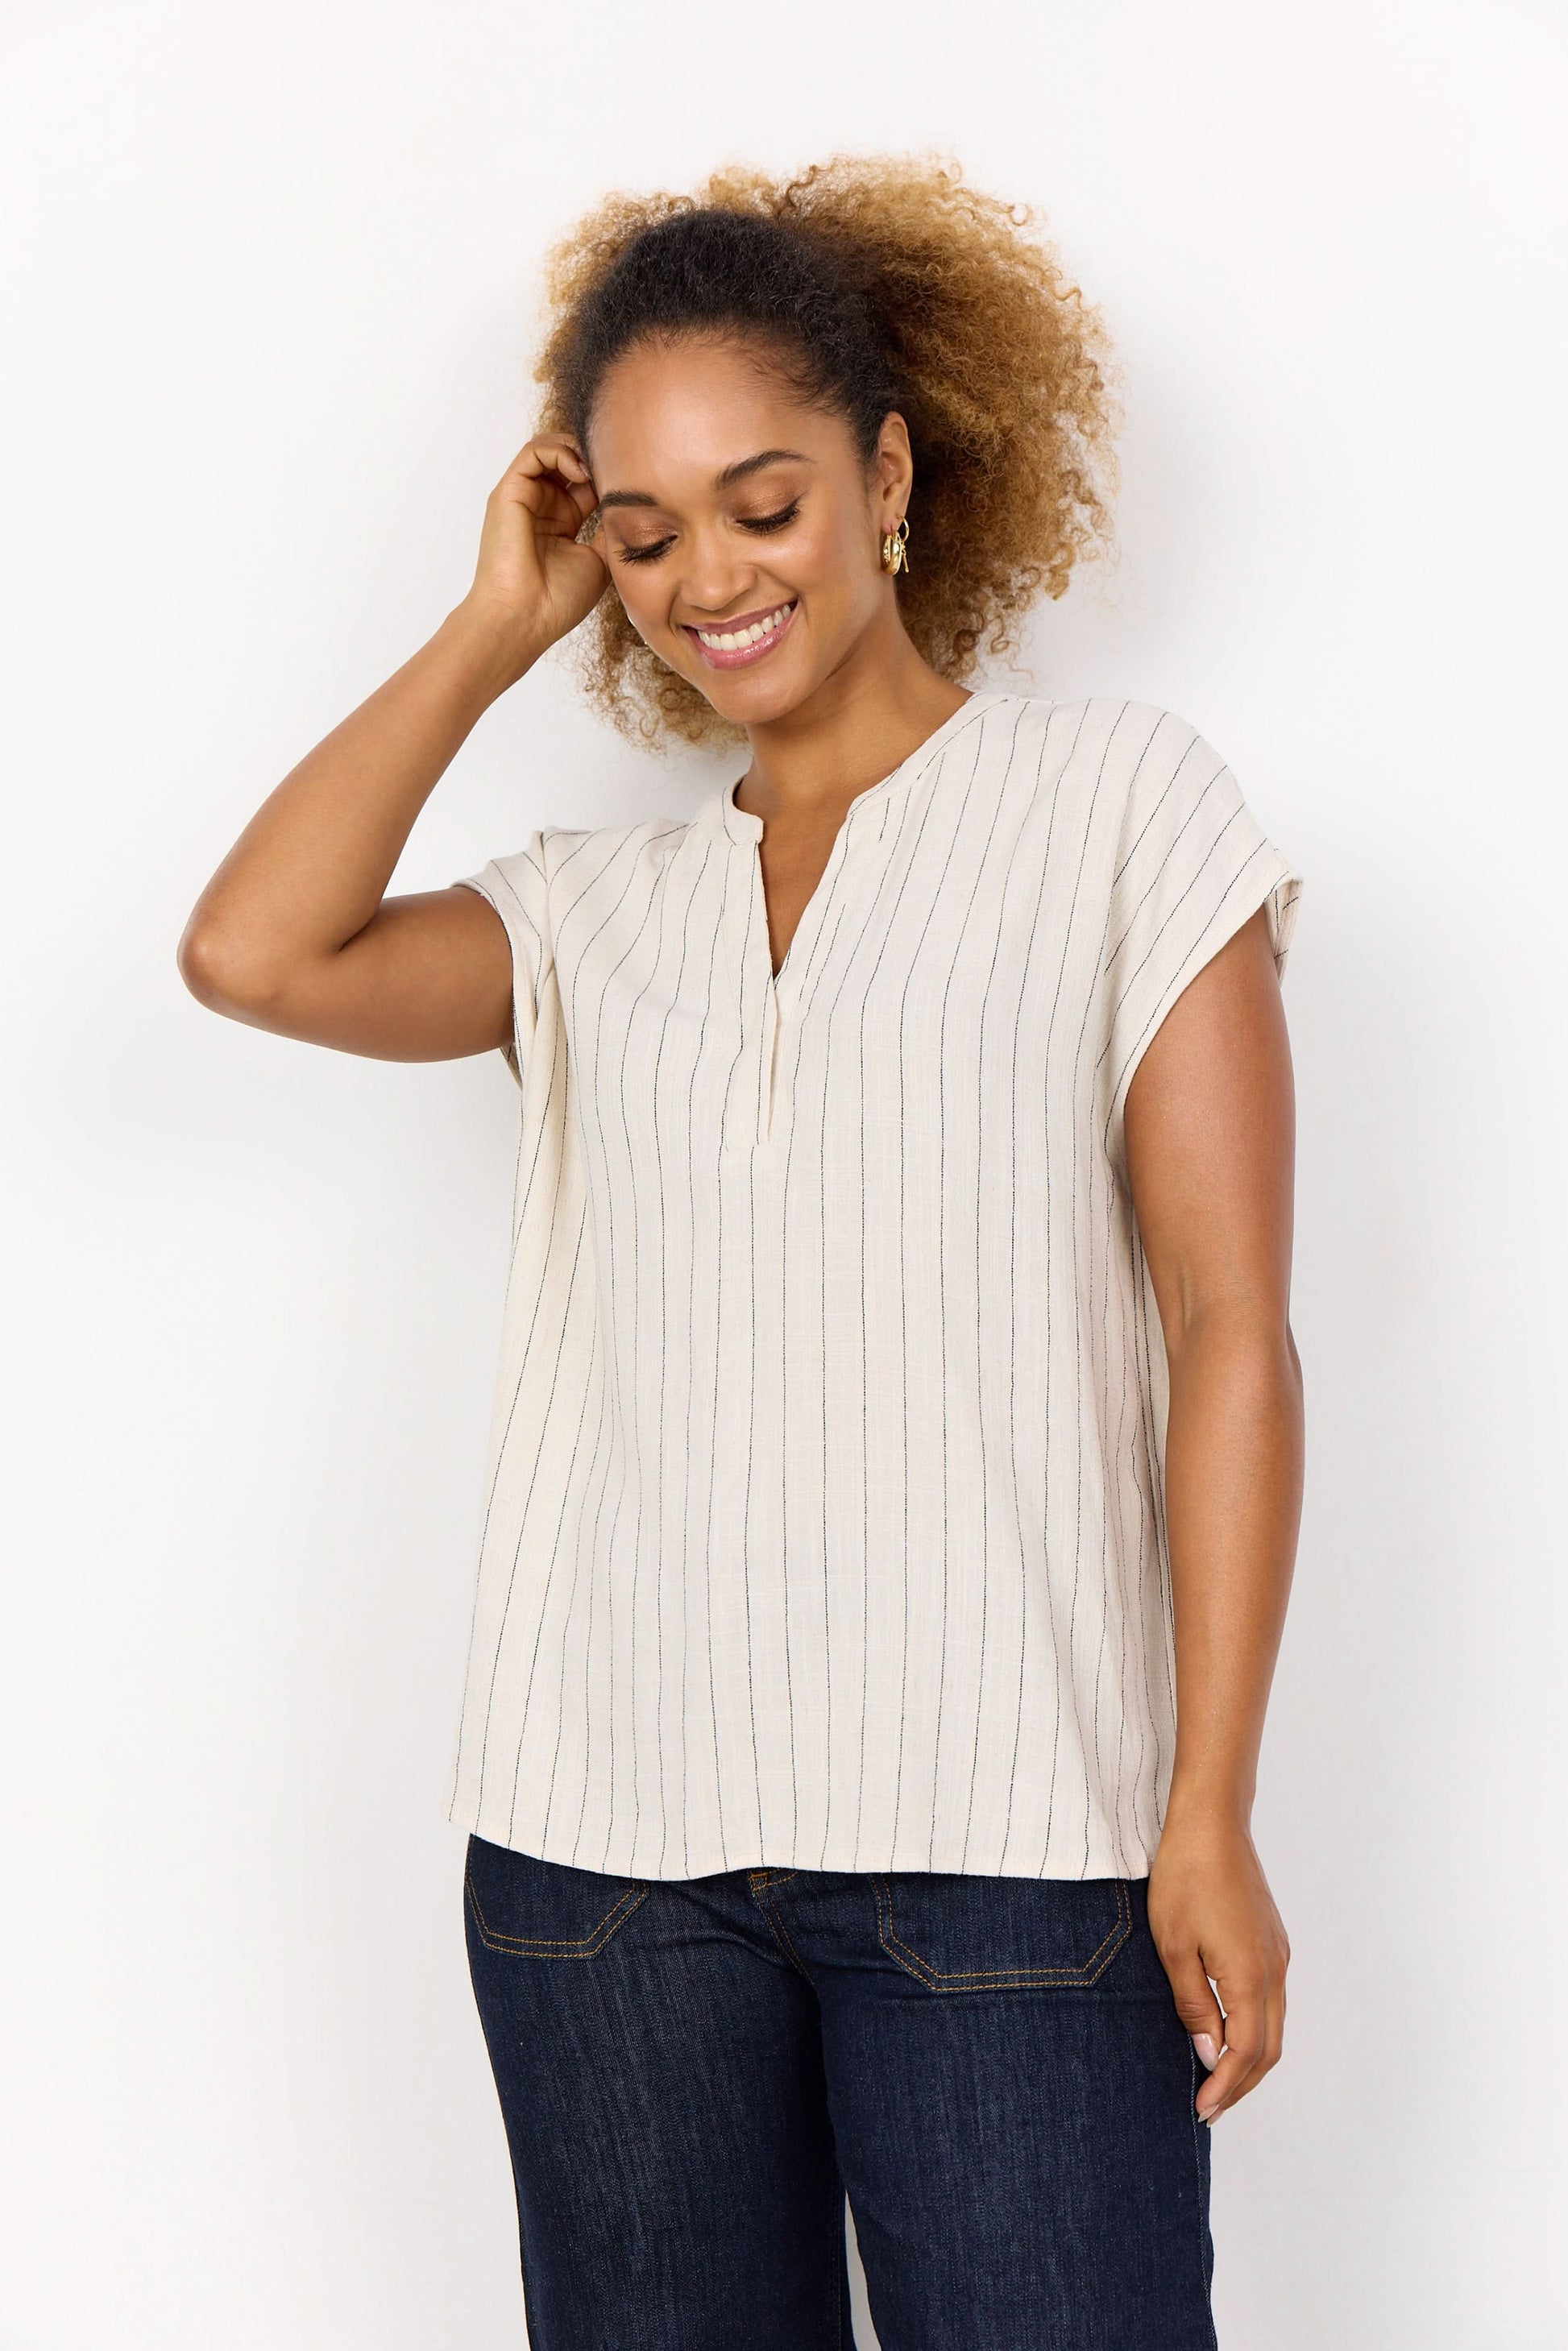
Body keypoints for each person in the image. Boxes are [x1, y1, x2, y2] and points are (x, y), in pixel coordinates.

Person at [179, 155, 1305, 2351]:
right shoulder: (588, 919)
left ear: (889, 475)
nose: (708, 575)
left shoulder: (1116, 808)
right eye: (642, 530)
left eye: (761, 502)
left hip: (1016, 1851)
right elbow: (252, 951)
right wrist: (498, 624)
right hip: (603, 1871)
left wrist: (1208, 1811)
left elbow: (1228, 1330)